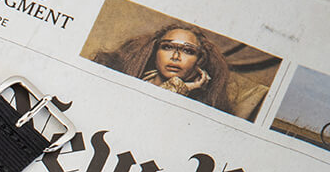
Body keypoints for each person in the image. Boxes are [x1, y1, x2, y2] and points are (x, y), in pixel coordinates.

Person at [95, 23, 233, 113]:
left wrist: (183, 88)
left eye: (188, 51)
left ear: (200, 61)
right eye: (167, 47)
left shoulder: (200, 106)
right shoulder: (126, 75)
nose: (175, 56)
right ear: (154, 52)